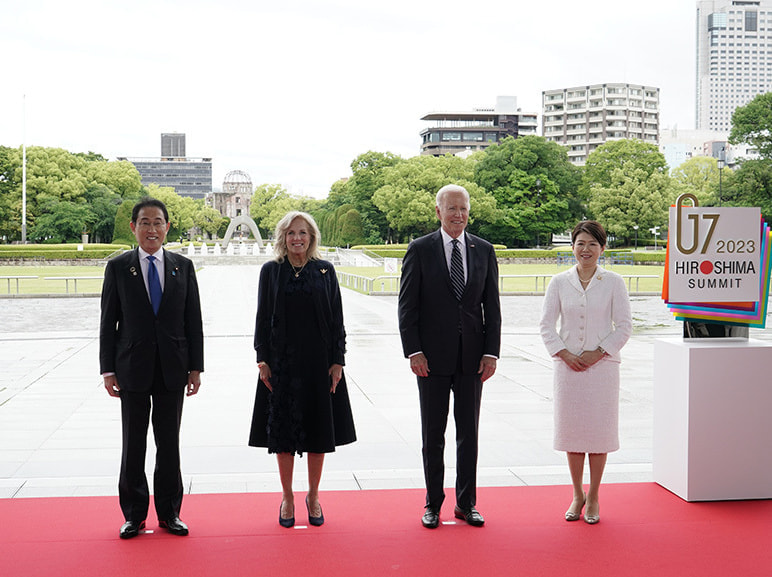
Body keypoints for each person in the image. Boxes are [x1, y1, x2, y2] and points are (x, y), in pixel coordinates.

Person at [398, 184, 501, 529]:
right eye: (452, 208)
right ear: (438, 211)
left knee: (469, 434)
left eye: (464, 209)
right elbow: (407, 307)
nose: (458, 215)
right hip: (431, 360)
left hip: (473, 359)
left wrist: (491, 352)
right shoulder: (420, 249)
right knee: (433, 435)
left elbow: (493, 308)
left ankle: (466, 503)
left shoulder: (484, 250)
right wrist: (414, 351)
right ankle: (433, 504)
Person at [99, 197, 204, 539]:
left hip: (173, 368)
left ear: (167, 227)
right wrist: (107, 370)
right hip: (131, 369)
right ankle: (133, 515)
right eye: (145, 222)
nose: (152, 229)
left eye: (158, 222)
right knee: (133, 445)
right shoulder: (118, 267)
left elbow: (193, 322)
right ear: (134, 227)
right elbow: (108, 323)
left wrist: (195, 368)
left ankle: (170, 514)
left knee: (169, 443)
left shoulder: (182, 267)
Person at [249, 211, 356, 528]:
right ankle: (287, 497)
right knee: (282, 434)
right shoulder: (271, 271)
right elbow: (261, 316)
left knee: (317, 432)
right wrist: (262, 358)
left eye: (303, 233)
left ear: (312, 238)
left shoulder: (325, 271)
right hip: (280, 364)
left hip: (319, 364)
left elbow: (337, 318)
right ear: (283, 237)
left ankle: (313, 495)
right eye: (291, 233)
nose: (297, 238)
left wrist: (338, 359)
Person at [539, 220, 632, 525]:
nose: (586, 249)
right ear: (572, 247)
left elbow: (625, 327)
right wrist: (564, 353)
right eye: (580, 243)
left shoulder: (614, 282)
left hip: (602, 369)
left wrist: (599, 351)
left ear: (602, 248)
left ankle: (594, 495)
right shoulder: (559, 282)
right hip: (568, 369)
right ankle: (577, 493)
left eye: (593, 244)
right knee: (574, 434)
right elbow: (545, 325)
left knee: (599, 435)